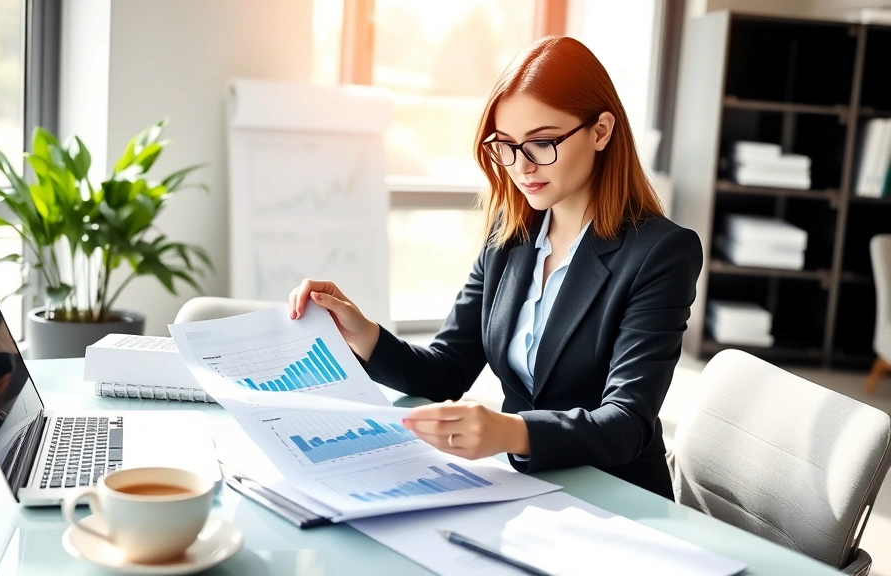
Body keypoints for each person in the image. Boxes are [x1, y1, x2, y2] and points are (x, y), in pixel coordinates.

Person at [288, 36, 702, 500]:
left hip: (617, 498)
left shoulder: (662, 252)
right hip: (523, 492)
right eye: (505, 145)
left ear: (601, 131)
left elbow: (626, 422)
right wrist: (363, 333)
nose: (520, 166)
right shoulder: (511, 234)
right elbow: (447, 369)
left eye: (542, 143)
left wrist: (511, 433)